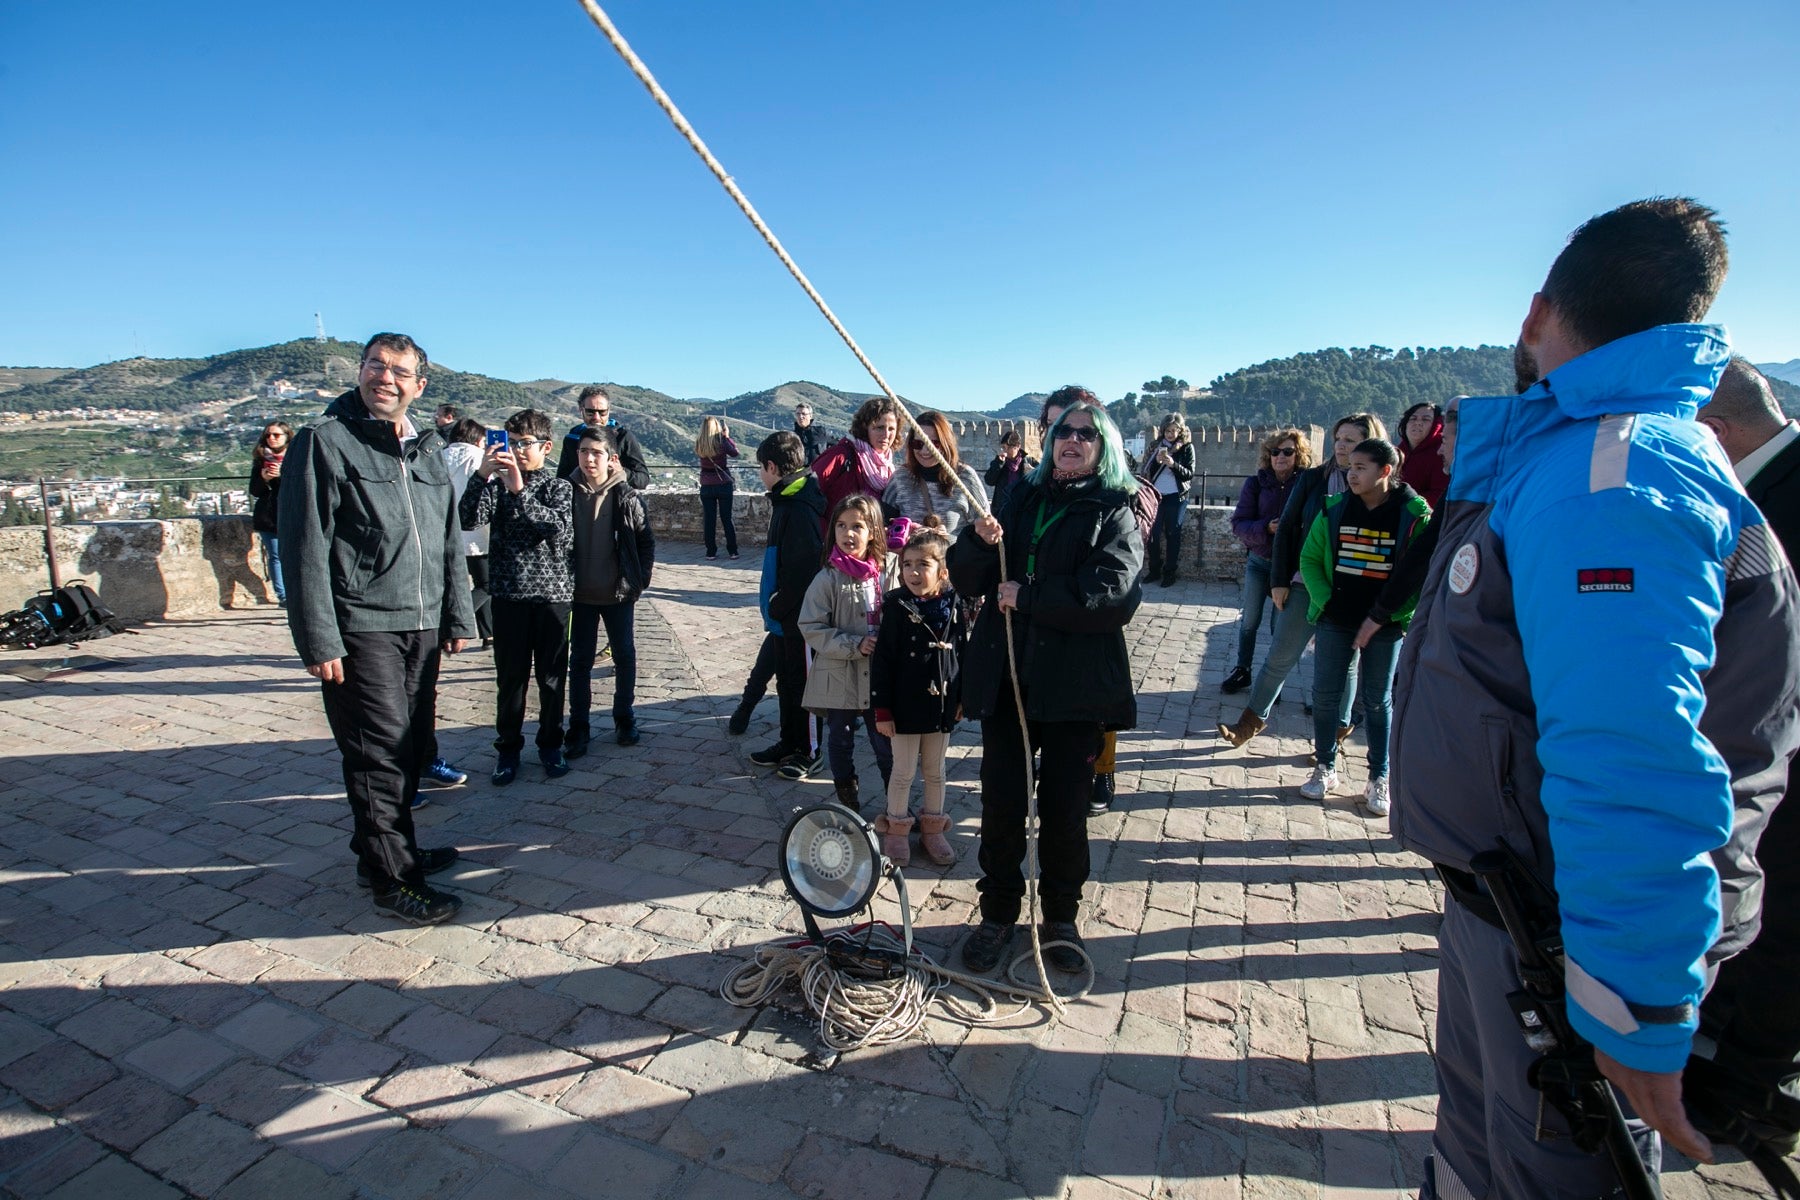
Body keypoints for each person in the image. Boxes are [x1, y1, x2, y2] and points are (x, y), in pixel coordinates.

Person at [1390, 198, 1800, 1197]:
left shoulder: (1611, 474)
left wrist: (1633, 1004)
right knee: (1480, 1159)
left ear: (1538, 313)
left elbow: (1633, 747)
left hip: (1562, 941)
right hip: (1516, 914)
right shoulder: (1591, 456)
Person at [277, 332, 473, 925]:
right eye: (374, 365)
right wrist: (318, 638)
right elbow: (304, 545)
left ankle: (385, 850)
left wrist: (457, 613)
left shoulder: (428, 449)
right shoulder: (325, 442)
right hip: (361, 625)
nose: (384, 377)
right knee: (378, 753)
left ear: (419, 385)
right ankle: (395, 880)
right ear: (360, 372)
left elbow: (447, 540)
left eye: (397, 370)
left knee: (409, 746)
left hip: (420, 624)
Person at [949, 396, 1144, 973]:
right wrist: (977, 543)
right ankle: (998, 913)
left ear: (1103, 446)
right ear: (1051, 439)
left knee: (1064, 810)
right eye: (1064, 431)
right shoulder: (1022, 496)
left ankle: (1060, 917)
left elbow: (1114, 594)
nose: (1074, 439)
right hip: (1009, 678)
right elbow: (968, 579)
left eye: (1087, 433)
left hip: (1075, 687)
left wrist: (1028, 596)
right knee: (1003, 803)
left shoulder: (1116, 509)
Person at [1695, 358, 1800, 1149]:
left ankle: (1743, 1089)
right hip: (1759, 737)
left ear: (1716, 432)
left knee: (1785, 916)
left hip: (1778, 748)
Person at [1217, 412, 1387, 749]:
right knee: (1280, 653)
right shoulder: (1312, 480)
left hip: (1353, 590)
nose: (1341, 446)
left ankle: (1336, 735)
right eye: (1338, 439)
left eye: (1350, 441)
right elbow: (1287, 529)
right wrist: (1279, 580)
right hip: (1305, 581)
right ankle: (1250, 722)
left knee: (1346, 664)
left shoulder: (1384, 493)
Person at [1038, 387, 1159, 816]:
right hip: (1040, 621)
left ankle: (1100, 770)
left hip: (1087, 616)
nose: (1066, 437)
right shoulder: (1033, 489)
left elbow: (1120, 567)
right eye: (1054, 427)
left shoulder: (1121, 494)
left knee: (1092, 701)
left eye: (1080, 430)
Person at [1294, 438, 1429, 814]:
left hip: (1385, 624)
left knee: (1377, 700)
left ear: (1385, 471)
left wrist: (1395, 614)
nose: (1351, 475)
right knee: (1325, 695)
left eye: (1361, 468)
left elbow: (1421, 574)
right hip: (1336, 619)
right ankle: (1326, 765)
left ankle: (1379, 777)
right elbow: (1310, 559)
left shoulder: (1414, 515)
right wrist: (1328, 603)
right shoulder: (1333, 510)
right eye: (1349, 467)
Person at [460, 409, 576, 786]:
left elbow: (556, 530)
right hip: (509, 596)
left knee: (552, 679)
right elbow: (466, 519)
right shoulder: (494, 486)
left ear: (545, 446)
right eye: (510, 442)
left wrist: (519, 491)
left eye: (524, 443)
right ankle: (507, 750)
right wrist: (481, 475)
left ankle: (550, 745)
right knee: (510, 681)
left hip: (551, 597)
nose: (517, 450)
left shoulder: (558, 487)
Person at [872, 520, 966, 868]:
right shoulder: (896, 607)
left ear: (942, 572)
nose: (913, 572)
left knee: (936, 770)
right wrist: (882, 709)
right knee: (903, 771)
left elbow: (961, 652)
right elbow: (882, 660)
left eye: (922, 565)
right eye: (907, 564)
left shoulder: (954, 606)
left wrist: (961, 696)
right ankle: (896, 831)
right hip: (904, 706)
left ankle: (932, 828)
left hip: (940, 705)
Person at [799, 494, 898, 797]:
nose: (848, 534)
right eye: (841, 526)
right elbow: (811, 627)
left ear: (873, 531)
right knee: (840, 739)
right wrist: (854, 644)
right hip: (839, 672)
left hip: (877, 676)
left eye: (857, 526)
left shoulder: (887, 572)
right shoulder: (827, 579)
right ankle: (846, 792)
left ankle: (895, 801)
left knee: (884, 740)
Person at [567, 425, 655, 756]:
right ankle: (578, 726)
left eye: (596, 452)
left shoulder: (627, 496)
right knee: (579, 663)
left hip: (618, 593)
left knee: (625, 656)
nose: (590, 459)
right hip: (579, 595)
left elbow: (646, 540)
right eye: (584, 451)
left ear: (611, 458)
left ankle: (624, 717)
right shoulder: (566, 492)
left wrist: (639, 579)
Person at [748, 432, 827, 777]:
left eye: (761, 469)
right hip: (784, 618)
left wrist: (780, 603)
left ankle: (809, 750)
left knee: (804, 686)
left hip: (799, 617)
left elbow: (805, 566)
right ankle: (789, 741)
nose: (761, 475)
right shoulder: (786, 501)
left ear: (772, 466)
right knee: (787, 682)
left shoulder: (799, 507)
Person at [1222, 428, 1312, 694]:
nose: (1280, 457)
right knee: (1249, 620)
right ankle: (1243, 670)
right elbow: (1239, 523)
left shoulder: (1306, 483)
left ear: (1299, 455)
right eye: (1275, 452)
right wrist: (1266, 528)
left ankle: (1272, 682)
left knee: (1279, 627)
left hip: (1289, 568)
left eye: (1287, 451)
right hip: (1259, 561)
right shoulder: (1256, 483)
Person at [882, 410, 990, 537]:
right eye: (918, 444)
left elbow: (985, 531)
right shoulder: (900, 478)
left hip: (954, 556)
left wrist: (946, 538)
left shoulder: (965, 477)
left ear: (946, 443)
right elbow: (884, 528)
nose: (925, 450)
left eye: (934, 443)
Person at [441, 418, 493, 651]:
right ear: (478, 439)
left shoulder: (440, 456)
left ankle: (488, 633)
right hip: (476, 534)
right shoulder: (479, 458)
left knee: (458, 582)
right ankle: (454, 620)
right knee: (487, 583)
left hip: (445, 531)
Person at [811, 396, 899, 529]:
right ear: (865, 428)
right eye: (879, 427)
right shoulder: (840, 456)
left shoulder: (889, 469)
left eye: (891, 429)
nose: (886, 434)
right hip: (833, 544)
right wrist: (826, 536)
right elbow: (808, 495)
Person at [556, 385, 650, 489]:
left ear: (609, 411)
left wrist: (622, 472)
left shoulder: (623, 437)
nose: (596, 417)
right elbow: (562, 479)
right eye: (590, 412)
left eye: (602, 412)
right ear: (581, 410)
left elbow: (643, 479)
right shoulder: (571, 439)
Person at [1141, 412, 1196, 586]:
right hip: (1156, 496)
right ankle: (1154, 570)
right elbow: (1145, 471)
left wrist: (1173, 464)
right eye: (1167, 430)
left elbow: (1189, 475)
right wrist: (1157, 461)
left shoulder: (1187, 448)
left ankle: (1170, 573)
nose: (1170, 434)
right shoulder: (1154, 446)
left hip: (1176, 497)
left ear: (1180, 431)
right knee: (1152, 535)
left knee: (1173, 534)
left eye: (1174, 430)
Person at [249, 421, 293, 606]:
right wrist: (264, 479)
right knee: (275, 556)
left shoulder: (296, 457)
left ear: (286, 437)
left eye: (276, 435)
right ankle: (283, 596)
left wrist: (282, 476)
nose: (271, 439)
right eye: (268, 435)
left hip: (292, 513)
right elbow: (255, 491)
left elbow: (301, 486)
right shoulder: (261, 459)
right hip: (269, 515)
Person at [695, 416, 740, 560]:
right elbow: (735, 453)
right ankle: (732, 551)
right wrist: (727, 437)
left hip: (706, 485)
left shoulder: (699, 444)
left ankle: (711, 551)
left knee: (709, 519)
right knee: (727, 518)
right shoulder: (722, 442)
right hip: (723, 483)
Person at [1397, 402, 1450, 511]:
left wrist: (1403, 504)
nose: (1418, 423)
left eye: (1425, 419)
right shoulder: (1397, 451)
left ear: (1436, 425)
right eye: (1413, 418)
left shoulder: (1441, 453)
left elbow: (1439, 494)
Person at [983, 428, 1037, 513]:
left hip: (1023, 509)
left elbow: (1042, 480)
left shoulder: (1029, 462)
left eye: (1008, 447)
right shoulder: (1000, 462)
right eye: (1004, 447)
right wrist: (998, 464)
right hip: (1002, 509)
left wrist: (1033, 472)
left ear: (1017, 447)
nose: (1005, 450)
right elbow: (989, 481)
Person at [793, 401, 831, 465]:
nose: (800, 416)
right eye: (798, 414)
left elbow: (838, 447)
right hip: (798, 474)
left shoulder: (822, 432)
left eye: (803, 414)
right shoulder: (791, 437)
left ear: (810, 416)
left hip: (819, 473)